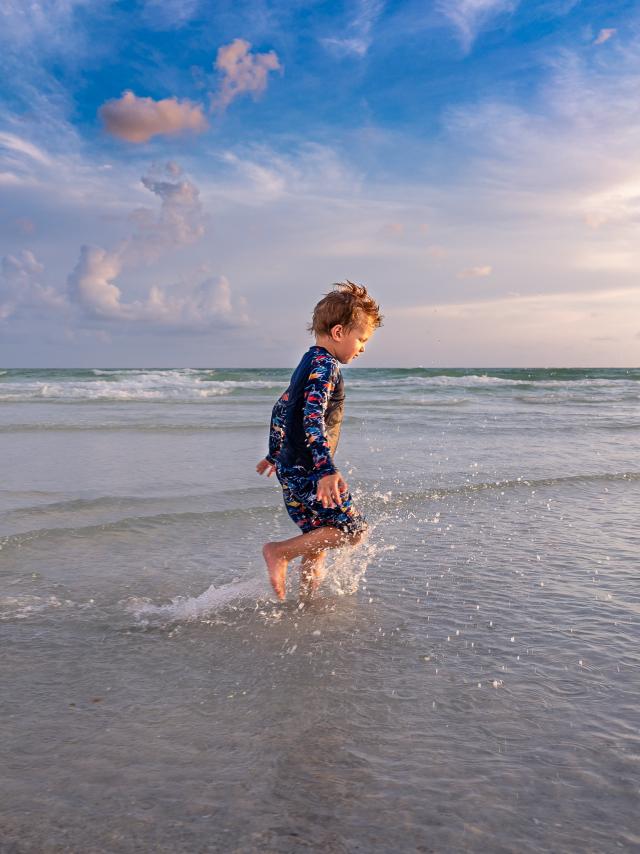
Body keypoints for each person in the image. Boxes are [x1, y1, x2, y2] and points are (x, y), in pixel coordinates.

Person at [256, 281, 383, 600]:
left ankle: (307, 603)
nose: (363, 347)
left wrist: (275, 453)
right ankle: (280, 552)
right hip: (310, 470)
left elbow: (283, 406)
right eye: (362, 339)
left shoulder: (308, 362)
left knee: (318, 538)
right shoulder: (325, 366)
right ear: (339, 332)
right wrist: (325, 469)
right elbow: (311, 416)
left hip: (292, 467)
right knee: (353, 531)